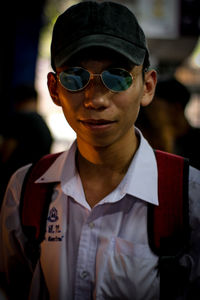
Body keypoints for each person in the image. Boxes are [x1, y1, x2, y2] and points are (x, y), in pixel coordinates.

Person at [0, 1, 200, 299]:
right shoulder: (26, 190)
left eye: (117, 76)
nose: (95, 99)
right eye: (75, 78)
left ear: (147, 86)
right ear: (54, 89)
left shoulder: (189, 196)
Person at [0, 84, 53, 206]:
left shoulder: (19, 119)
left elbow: (6, 151)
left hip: (15, 181)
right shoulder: (41, 121)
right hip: (36, 183)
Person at [136, 77, 200, 169]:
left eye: (154, 108)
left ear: (175, 108)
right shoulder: (150, 140)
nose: (149, 113)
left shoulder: (195, 144)